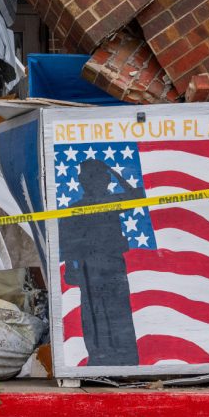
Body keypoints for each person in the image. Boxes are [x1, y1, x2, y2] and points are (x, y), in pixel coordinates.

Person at [59, 157, 141, 366]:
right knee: (94, 313)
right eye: (92, 176)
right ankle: (99, 355)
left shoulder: (111, 203)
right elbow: (67, 240)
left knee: (119, 311)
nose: (98, 181)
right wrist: (70, 267)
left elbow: (138, 196)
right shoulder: (76, 208)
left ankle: (125, 355)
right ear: (82, 180)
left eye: (101, 176)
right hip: (90, 267)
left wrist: (113, 171)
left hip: (113, 265)